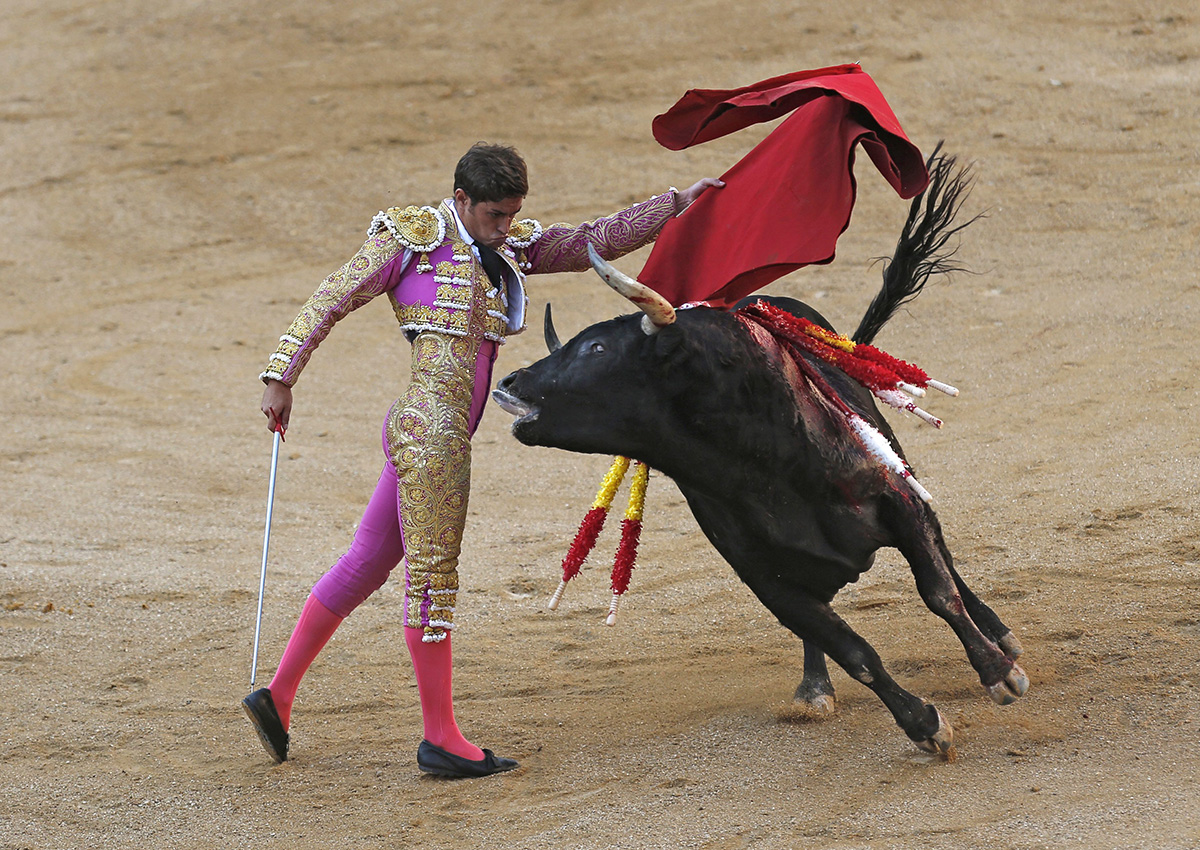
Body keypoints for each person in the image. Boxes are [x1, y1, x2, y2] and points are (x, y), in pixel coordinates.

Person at [242, 142, 722, 777]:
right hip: (433, 432)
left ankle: (277, 696)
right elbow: (333, 293)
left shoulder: (507, 244)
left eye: (513, 213)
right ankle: (440, 737)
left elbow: (586, 243)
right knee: (433, 580)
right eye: (495, 214)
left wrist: (670, 206)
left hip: (432, 433)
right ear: (461, 199)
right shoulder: (413, 239)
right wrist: (283, 375)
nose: (506, 226)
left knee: (366, 563)